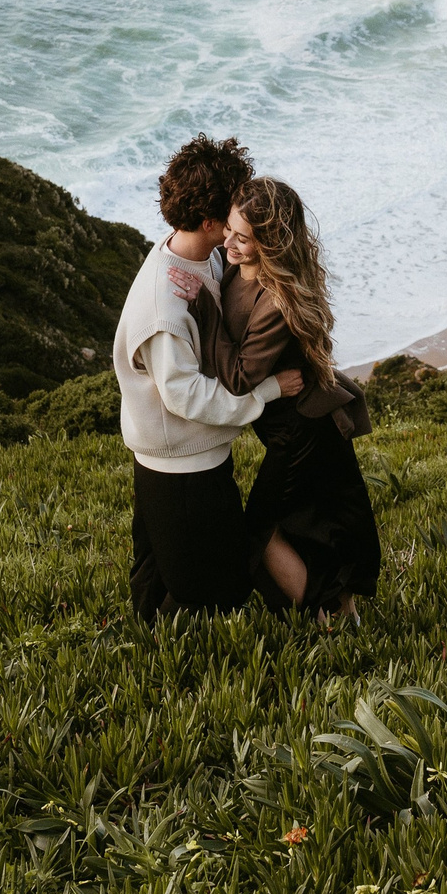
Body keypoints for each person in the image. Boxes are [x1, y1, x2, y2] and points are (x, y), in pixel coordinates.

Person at [113, 135, 300, 620]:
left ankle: (147, 639)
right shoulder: (164, 307)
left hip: (192, 455)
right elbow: (186, 397)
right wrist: (268, 390)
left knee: (158, 582)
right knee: (217, 593)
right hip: (178, 465)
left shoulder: (205, 254)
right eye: (234, 215)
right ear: (212, 223)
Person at [174, 176, 380, 616]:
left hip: (303, 433)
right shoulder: (235, 266)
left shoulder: (276, 300)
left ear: (270, 244)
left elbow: (239, 375)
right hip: (294, 429)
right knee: (312, 526)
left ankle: (322, 619)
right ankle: (338, 614)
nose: (227, 242)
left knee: (262, 531)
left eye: (242, 238)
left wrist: (204, 310)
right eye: (228, 228)